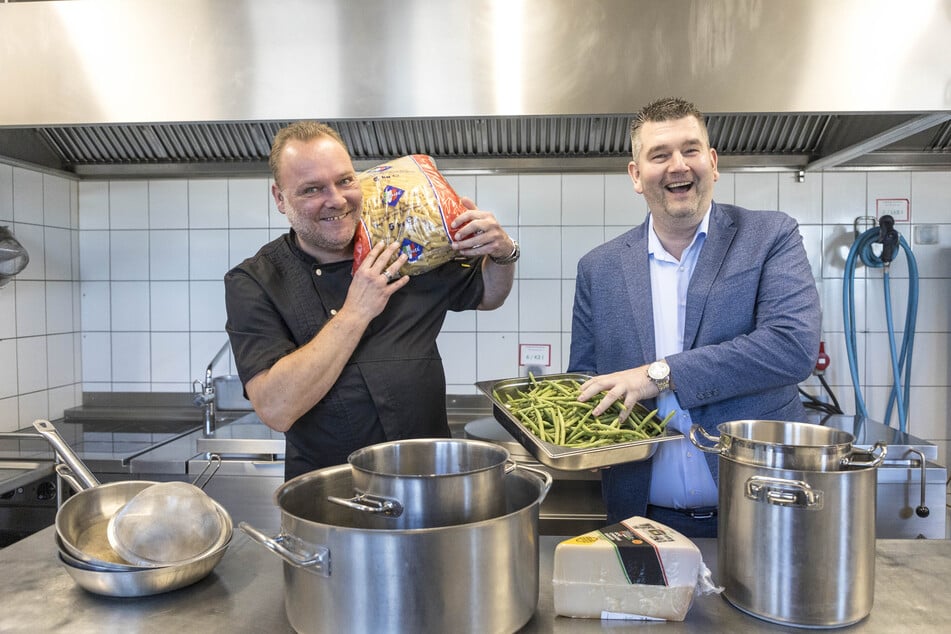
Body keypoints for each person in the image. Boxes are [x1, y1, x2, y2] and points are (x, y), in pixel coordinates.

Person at [567, 97, 821, 537]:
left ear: (713, 162)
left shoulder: (770, 235)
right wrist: (573, 436)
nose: (678, 166)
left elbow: (791, 347)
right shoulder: (599, 268)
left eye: (691, 150)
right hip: (639, 518)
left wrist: (657, 375)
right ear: (636, 175)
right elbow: (586, 378)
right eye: (659, 155)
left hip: (761, 513)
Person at [224, 121, 519, 481]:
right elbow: (276, 408)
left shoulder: (407, 243)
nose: (335, 200)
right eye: (312, 189)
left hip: (429, 488)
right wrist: (355, 312)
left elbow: (489, 294)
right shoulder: (256, 281)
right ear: (280, 198)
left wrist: (502, 254)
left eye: (345, 180)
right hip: (329, 501)